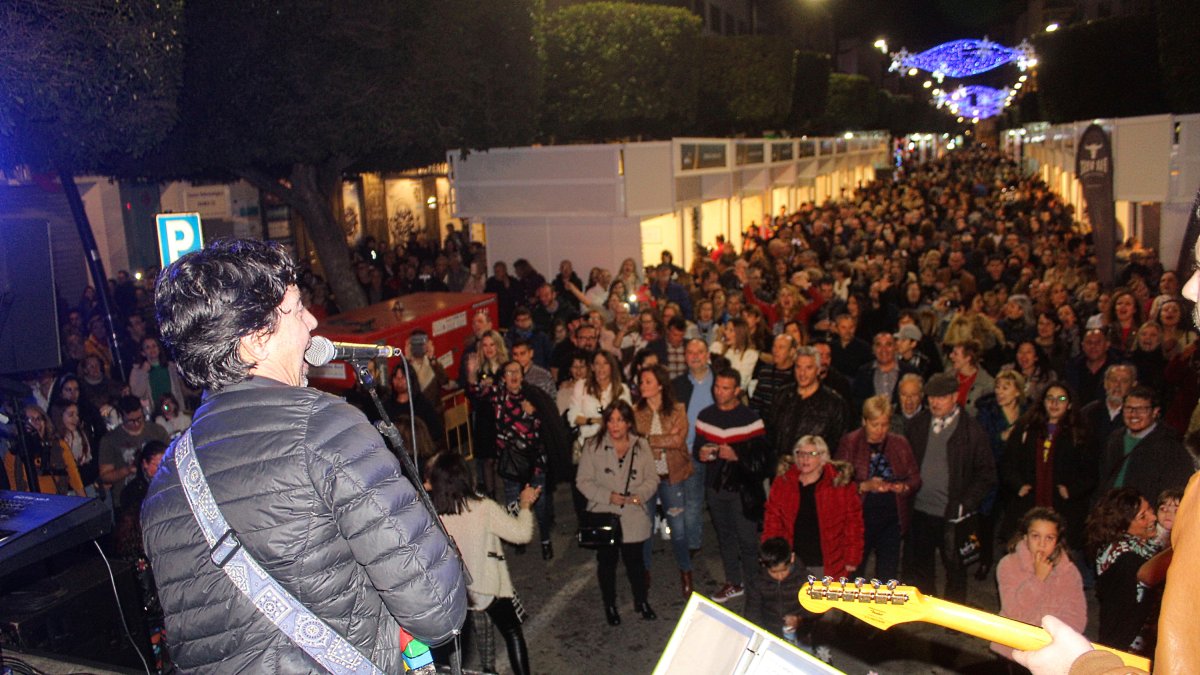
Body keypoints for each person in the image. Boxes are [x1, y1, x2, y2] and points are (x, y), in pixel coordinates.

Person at [141, 239, 466, 671]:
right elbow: (437, 609)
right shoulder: (326, 427)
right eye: (296, 309)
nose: (313, 320)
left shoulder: (167, 478)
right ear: (256, 340)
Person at [427, 452, 539, 675]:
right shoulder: (482, 507)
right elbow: (521, 534)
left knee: (470, 639)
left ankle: (488, 669)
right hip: (487, 587)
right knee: (512, 632)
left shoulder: (432, 515)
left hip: (458, 593)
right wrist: (525, 504)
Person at [903, 372, 996, 603]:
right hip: (920, 510)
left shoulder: (971, 431)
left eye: (941, 397)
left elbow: (987, 473)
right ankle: (925, 610)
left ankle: (953, 616)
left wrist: (966, 504)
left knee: (955, 567)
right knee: (922, 565)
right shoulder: (918, 424)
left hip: (952, 514)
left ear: (955, 396)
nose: (935, 402)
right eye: (932, 397)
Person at [576, 400, 659, 626]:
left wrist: (638, 495)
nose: (615, 425)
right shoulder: (593, 445)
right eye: (611, 420)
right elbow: (582, 481)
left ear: (629, 422)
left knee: (636, 563)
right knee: (607, 563)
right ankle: (610, 605)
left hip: (633, 513)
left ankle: (641, 601)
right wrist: (607, 496)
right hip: (604, 513)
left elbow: (653, 478)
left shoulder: (641, 445)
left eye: (620, 420)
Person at [695, 368, 770, 605]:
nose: (719, 392)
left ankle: (755, 584)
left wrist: (736, 455)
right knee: (725, 537)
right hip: (715, 487)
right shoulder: (705, 415)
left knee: (748, 539)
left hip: (742, 489)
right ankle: (734, 583)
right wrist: (703, 453)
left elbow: (763, 460)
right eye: (717, 387)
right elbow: (697, 449)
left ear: (737, 390)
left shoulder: (750, 419)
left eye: (725, 388)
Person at [762, 435, 863, 598]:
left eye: (811, 454)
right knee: (793, 609)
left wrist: (852, 556)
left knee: (826, 611)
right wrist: (772, 555)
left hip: (828, 562)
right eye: (800, 454)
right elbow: (772, 519)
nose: (804, 459)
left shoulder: (840, 484)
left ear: (823, 457)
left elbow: (853, 523)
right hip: (793, 562)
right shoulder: (783, 482)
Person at [836, 396, 921, 581]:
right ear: (864, 421)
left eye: (885, 425)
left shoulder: (900, 443)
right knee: (853, 577)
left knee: (887, 578)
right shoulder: (850, 442)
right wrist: (863, 486)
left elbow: (915, 478)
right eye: (875, 425)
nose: (880, 430)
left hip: (891, 521)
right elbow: (837, 483)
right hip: (859, 521)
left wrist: (903, 487)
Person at [1000, 384, 1093, 551]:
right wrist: (1018, 485)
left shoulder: (1080, 432)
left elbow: (1090, 473)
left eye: (1061, 399)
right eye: (1050, 398)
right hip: (1028, 504)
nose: (1054, 403)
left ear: (1070, 404)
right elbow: (1007, 463)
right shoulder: (1026, 427)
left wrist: (1071, 490)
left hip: (1063, 508)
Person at [991, 507, 1086, 662]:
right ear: (1025, 537)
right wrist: (1037, 579)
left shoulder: (1068, 571)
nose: (1042, 544)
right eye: (1036, 536)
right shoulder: (1009, 564)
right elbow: (1013, 613)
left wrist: (1055, 642)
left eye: (1049, 538)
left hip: (1051, 651)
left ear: (1057, 541)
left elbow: (1077, 616)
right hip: (1012, 649)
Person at [632, 365, 694, 598]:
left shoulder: (678, 409)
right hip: (646, 479)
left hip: (672, 477)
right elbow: (634, 443)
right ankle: (644, 572)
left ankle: (686, 572)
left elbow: (679, 441)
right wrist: (661, 441)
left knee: (678, 530)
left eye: (647, 381)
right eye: (641, 382)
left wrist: (650, 440)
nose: (642, 386)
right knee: (645, 528)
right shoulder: (635, 411)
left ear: (660, 384)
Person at [1086, 488, 1160, 656]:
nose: (1153, 517)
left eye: (1150, 509)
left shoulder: (1145, 547)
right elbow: (1147, 574)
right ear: (1122, 527)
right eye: (1143, 516)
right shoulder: (1121, 555)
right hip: (1124, 648)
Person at [99, 395, 169, 507]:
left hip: (160, 496)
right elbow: (105, 475)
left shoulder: (157, 431)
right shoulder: (110, 440)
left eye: (139, 419)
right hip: (128, 501)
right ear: (122, 417)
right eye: (131, 421)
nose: (136, 424)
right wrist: (127, 470)